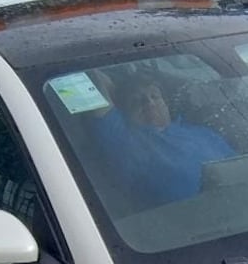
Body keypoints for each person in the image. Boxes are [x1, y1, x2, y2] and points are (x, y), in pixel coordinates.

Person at [91, 81, 235, 207]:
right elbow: (88, 81)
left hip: (236, 207)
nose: (149, 103)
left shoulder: (202, 133)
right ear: (125, 114)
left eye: (154, 96)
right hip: (182, 226)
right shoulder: (124, 138)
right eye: (137, 101)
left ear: (166, 104)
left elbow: (241, 168)